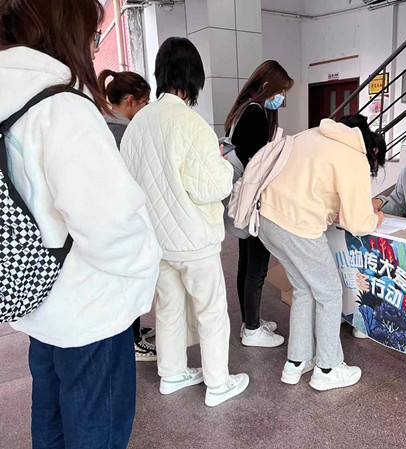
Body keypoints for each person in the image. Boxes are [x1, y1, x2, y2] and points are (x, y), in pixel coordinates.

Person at [0, 1, 161, 447]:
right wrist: (145, 270)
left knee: (50, 417)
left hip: (36, 300)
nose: (93, 46)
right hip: (90, 310)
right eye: (92, 34)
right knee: (97, 428)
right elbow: (109, 223)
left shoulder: (10, 96)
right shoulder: (61, 107)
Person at [120, 37, 249, 406]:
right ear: (194, 78)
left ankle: (172, 373)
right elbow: (212, 187)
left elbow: (128, 182)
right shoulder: (192, 125)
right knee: (211, 311)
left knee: (168, 308)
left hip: (156, 239)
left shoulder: (138, 124)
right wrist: (222, 165)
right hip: (193, 239)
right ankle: (218, 383)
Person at [257, 114, 385, 391]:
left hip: (266, 219)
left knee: (304, 289)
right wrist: (375, 217)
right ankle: (328, 368)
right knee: (329, 292)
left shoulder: (313, 134)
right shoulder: (354, 155)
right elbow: (358, 223)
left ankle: (297, 362)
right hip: (297, 226)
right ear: (373, 150)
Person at [224, 60, 294, 348]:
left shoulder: (243, 111)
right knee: (257, 265)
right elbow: (258, 166)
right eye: (281, 91)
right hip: (255, 202)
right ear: (267, 86)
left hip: (244, 200)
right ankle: (252, 329)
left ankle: (250, 322)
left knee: (246, 263)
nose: (282, 98)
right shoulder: (255, 114)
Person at [98, 69, 157, 362]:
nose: (146, 108)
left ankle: (132, 332)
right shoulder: (121, 132)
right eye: (144, 102)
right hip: (122, 219)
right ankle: (132, 341)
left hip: (111, 219)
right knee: (130, 279)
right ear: (131, 99)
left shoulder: (102, 123)